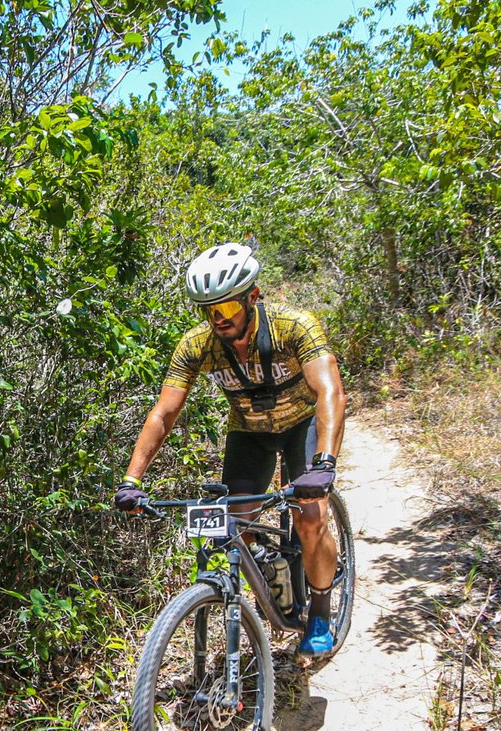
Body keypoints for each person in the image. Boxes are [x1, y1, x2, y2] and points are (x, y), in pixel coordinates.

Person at [114, 242, 348, 655]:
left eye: (225, 308)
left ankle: (320, 613)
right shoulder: (197, 345)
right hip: (250, 432)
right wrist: (132, 480)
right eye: (207, 311)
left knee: (311, 517)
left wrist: (324, 464)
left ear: (252, 297)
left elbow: (330, 392)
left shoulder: (295, 326)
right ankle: (272, 567)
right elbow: (164, 413)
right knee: (235, 524)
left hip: (302, 425)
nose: (217, 319)